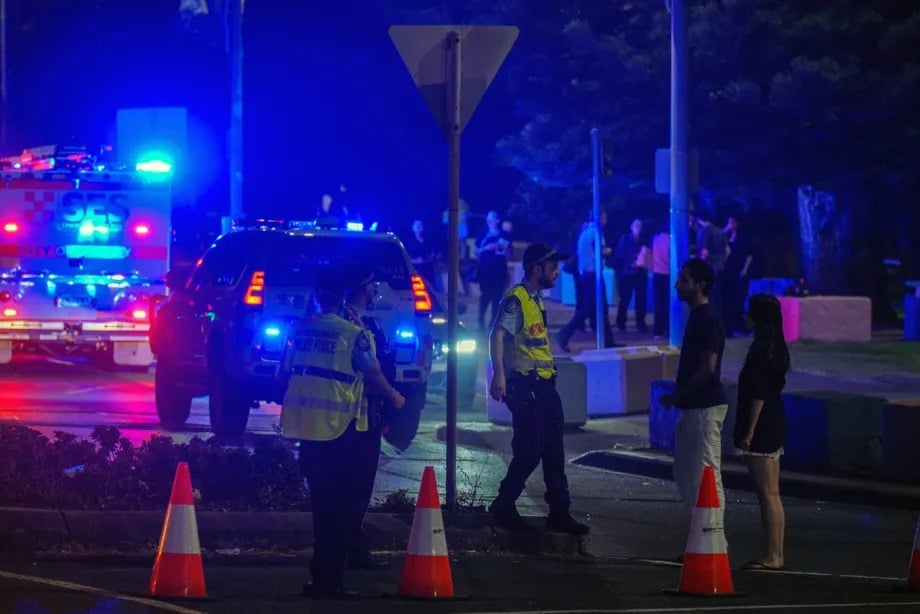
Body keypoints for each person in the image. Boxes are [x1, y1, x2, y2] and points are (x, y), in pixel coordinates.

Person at [278, 265, 405, 599]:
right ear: (342, 296)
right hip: (340, 433)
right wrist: (396, 397)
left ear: (316, 296)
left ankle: (323, 575)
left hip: (308, 432)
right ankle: (328, 581)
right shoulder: (352, 333)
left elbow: (283, 374)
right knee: (338, 510)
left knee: (323, 508)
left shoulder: (298, 330)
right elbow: (374, 373)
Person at [487, 243, 589, 536]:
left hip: (544, 385)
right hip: (525, 385)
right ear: (536, 269)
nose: (557, 272)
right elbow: (497, 335)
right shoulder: (516, 299)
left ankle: (559, 513)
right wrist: (499, 375)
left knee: (554, 451)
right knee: (529, 451)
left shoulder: (536, 300)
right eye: (553, 267)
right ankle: (503, 505)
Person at [660, 258, 728, 521]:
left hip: (704, 407)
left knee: (705, 475)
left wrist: (678, 395)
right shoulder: (698, 316)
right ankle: (699, 536)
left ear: (700, 285)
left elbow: (708, 367)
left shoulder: (707, 318)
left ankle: (711, 537)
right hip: (693, 406)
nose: (677, 285)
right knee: (686, 473)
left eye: (684, 280)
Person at [339, 265, 393, 571]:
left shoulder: (365, 323)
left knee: (357, 486)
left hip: (362, 415)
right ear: (362, 287)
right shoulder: (352, 326)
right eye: (372, 284)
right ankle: (351, 549)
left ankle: (350, 546)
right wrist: (394, 396)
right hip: (356, 417)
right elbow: (374, 370)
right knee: (356, 485)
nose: (375, 290)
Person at [734, 293, 790, 571]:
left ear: (758, 317)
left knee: (767, 494)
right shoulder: (778, 347)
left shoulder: (761, 351)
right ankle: (775, 552)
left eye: (750, 312)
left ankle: (773, 555)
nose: (746, 317)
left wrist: (749, 431)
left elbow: (758, 394)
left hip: (763, 425)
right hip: (775, 420)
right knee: (772, 493)